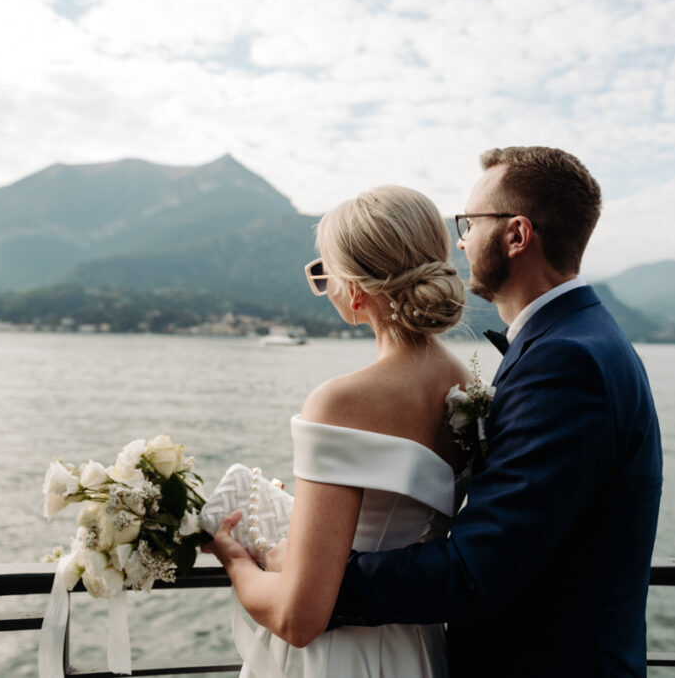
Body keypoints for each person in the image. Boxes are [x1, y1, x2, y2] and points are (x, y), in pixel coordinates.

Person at [328, 147, 664, 677]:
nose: (459, 240)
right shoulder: (576, 339)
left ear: (516, 235)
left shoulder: (567, 359)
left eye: (469, 222)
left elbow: (475, 571)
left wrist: (318, 579)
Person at [204, 184, 477, 677]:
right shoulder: (469, 390)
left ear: (354, 288)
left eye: (324, 272)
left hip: (338, 658)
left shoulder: (340, 403)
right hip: (420, 650)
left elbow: (298, 616)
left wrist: (235, 559)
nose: (325, 285)